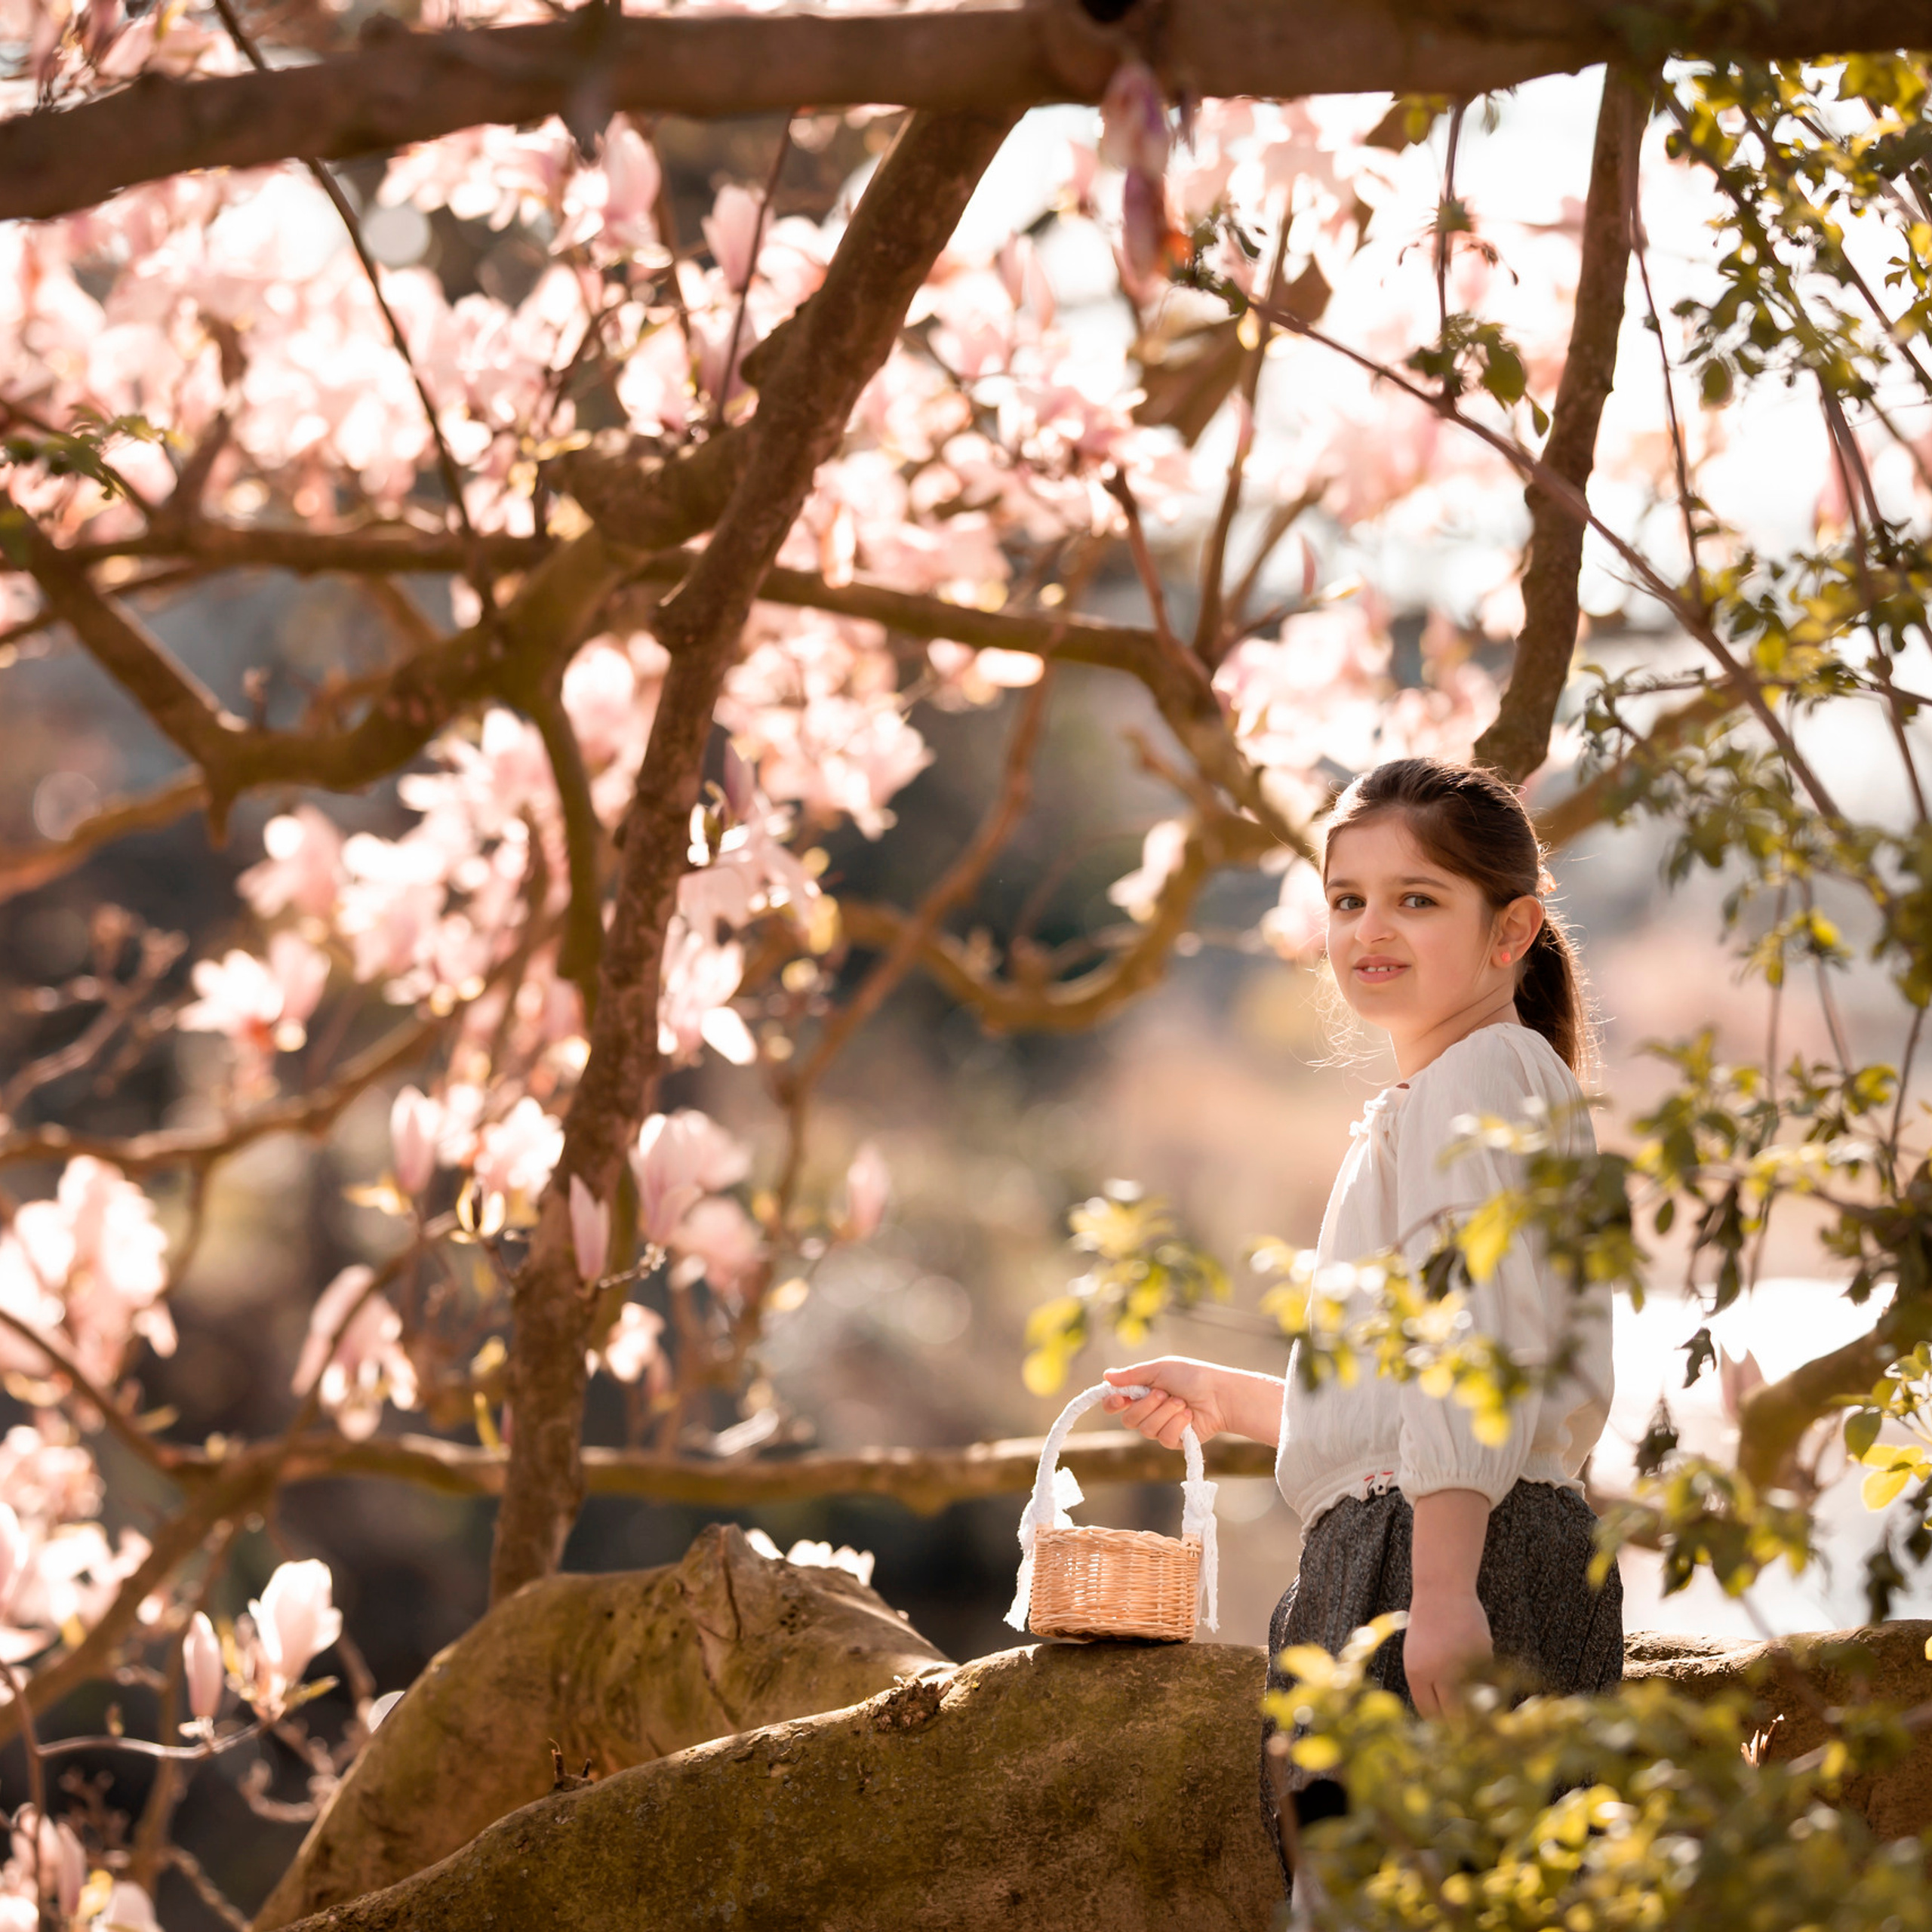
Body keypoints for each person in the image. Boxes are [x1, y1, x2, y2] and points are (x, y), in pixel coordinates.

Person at [1100, 755, 1621, 1876]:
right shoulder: (1454, 1091)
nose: (1369, 929)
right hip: (1418, 1550)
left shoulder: (1482, 1080)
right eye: (1349, 900)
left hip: (1446, 1559)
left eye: (1416, 899)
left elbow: (1473, 1349)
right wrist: (1234, 1400)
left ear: (1511, 931)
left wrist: (1439, 1592)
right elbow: (1406, 1391)